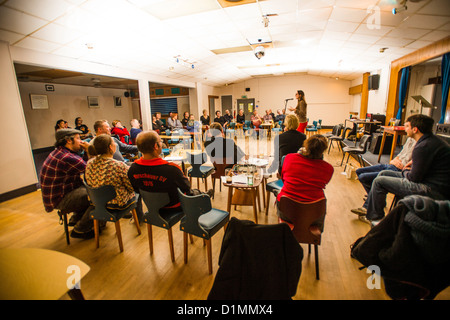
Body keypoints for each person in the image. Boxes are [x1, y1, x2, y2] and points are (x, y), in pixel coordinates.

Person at [364, 114, 450, 225]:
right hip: (430, 182)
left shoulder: (423, 146)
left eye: (407, 126)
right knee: (383, 173)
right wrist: (413, 165)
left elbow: (413, 178)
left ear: (415, 129)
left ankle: (376, 220)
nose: (405, 129)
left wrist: (405, 170)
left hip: (431, 188)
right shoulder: (432, 141)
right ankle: (375, 210)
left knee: (379, 181)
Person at [127, 131, 213, 214]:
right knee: (193, 192)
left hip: (151, 206)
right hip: (174, 206)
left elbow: (136, 189)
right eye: (160, 141)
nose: (161, 144)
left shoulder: (132, 169)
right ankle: (203, 196)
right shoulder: (172, 169)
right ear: (155, 146)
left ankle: (203, 195)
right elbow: (186, 187)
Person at [39, 128, 94, 239]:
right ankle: (80, 229)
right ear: (69, 141)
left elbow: (82, 165)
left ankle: (76, 218)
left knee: (87, 189)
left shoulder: (60, 152)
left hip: (57, 196)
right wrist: (90, 151)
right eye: (78, 138)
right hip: (60, 199)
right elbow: (93, 169)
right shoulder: (67, 157)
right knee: (98, 198)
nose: (81, 142)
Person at [351, 137, 416, 216]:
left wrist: (400, 164)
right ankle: (377, 199)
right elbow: (399, 155)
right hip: (391, 165)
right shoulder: (409, 138)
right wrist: (393, 161)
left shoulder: (420, 144)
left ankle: (368, 206)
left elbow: (408, 166)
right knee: (359, 171)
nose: (404, 127)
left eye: (407, 125)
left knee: (364, 177)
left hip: (398, 170)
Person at [85, 134, 139, 219]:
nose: (116, 145)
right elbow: (131, 188)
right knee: (138, 191)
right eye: (114, 143)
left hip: (97, 201)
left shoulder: (89, 163)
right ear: (110, 147)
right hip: (117, 204)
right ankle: (140, 218)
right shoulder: (118, 165)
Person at [277, 134, 334, 204]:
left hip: (286, 206)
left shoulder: (289, 158)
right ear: (323, 150)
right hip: (315, 209)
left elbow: (284, 179)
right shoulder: (328, 169)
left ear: (306, 145)